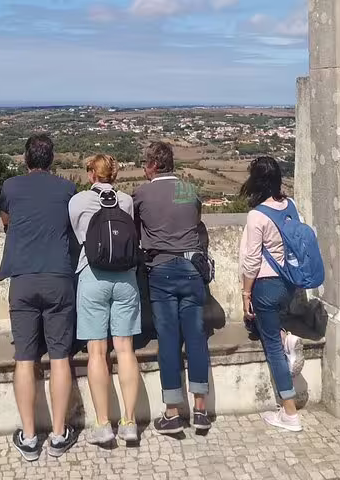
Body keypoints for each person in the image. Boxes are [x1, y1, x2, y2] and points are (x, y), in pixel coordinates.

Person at [0, 134, 78, 460]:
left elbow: (6, 220)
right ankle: (59, 435)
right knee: (60, 357)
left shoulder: (11, 187)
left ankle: (29, 438)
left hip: (24, 279)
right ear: (51, 160)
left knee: (24, 359)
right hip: (59, 277)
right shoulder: (67, 189)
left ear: (26, 159)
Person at [133, 141, 212, 434]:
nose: (143, 168)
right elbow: (196, 223)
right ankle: (201, 410)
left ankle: (172, 413)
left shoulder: (142, 193)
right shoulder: (189, 190)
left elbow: (135, 229)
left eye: (145, 163)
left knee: (168, 339)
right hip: (192, 269)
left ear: (154, 165)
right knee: (195, 336)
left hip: (161, 271)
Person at [68, 154, 142, 445]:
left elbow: (78, 235)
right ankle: (130, 421)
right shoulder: (126, 201)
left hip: (93, 276)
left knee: (97, 352)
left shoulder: (78, 202)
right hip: (126, 278)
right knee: (125, 350)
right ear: (115, 175)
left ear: (91, 174)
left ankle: (102, 424)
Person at [238, 156, 305, 432]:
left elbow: (251, 261)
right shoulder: (290, 206)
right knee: (269, 327)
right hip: (288, 283)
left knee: (271, 350)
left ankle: (289, 413)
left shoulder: (257, 216)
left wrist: (245, 294)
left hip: (265, 284)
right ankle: (287, 339)